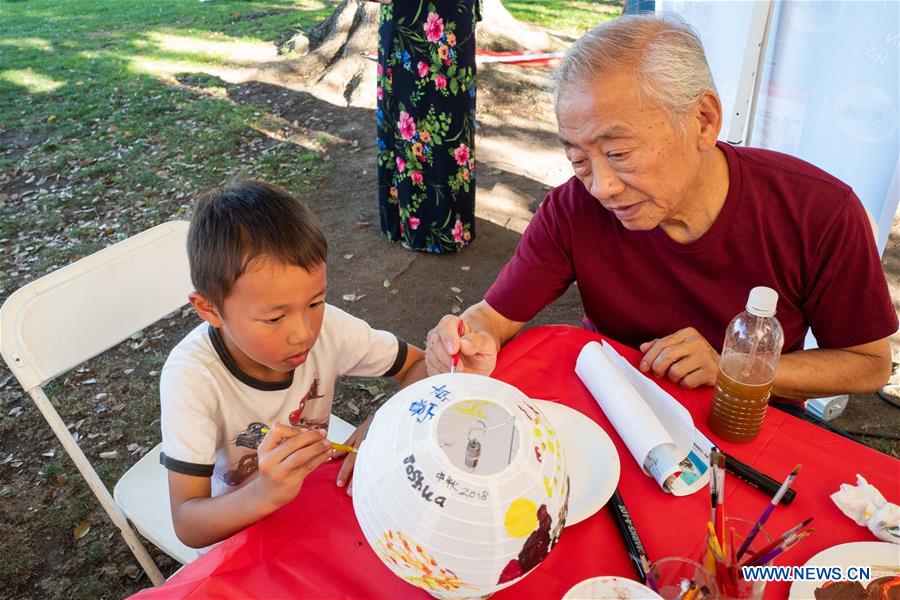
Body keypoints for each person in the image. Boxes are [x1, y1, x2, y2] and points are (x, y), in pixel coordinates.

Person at [424, 14, 896, 401]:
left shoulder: (819, 211)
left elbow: (867, 364)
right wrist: (471, 335)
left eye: (619, 154)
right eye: (578, 159)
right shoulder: (573, 208)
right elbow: (496, 316)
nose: (602, 188)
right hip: (614, 400)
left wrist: (731, 368)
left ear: (703, 120)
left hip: (741, 420)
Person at [160, 180, 427, 548]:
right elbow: (189, 523)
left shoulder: (330, 327)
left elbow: (420, 365)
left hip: (319, 497)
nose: (303, 333)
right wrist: (264, 493)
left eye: (315, 302)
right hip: (242, 521)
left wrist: (382, 425)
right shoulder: (191, 378)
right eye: (274, 319)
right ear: (209, 309)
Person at [376, 0, 479, 252]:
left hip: (449, 13)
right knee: (405, 113)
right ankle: (411, 225)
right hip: (408, 15)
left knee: (451, 115)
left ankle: (444, 230)